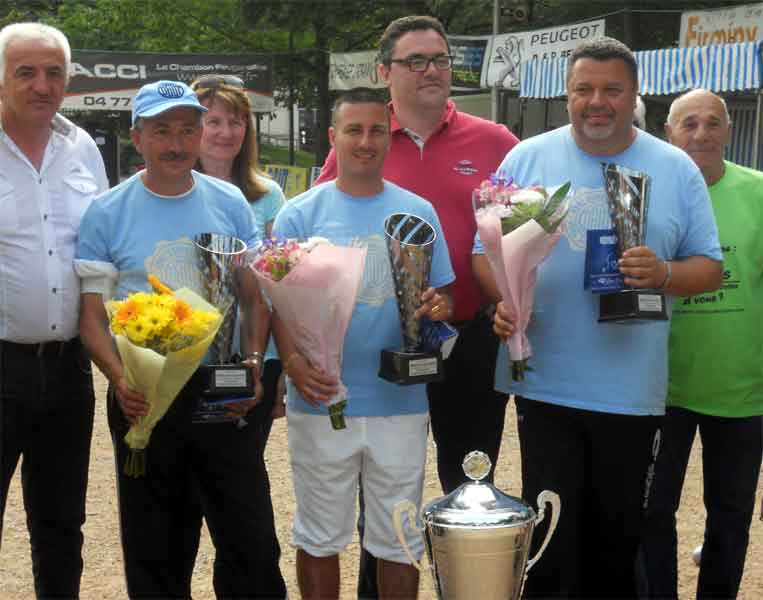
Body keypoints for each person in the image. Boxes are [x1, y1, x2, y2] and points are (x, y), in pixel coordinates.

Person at [487, 38, 723, 598]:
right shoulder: (526, 158)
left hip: (630, 392)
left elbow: (709, 269)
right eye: (584, 90)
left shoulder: (675, 168)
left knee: (615, 547)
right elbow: (486, 252)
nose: (598, 101)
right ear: (567, 95)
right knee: (548, 543)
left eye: (612, 90)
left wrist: (663, 273)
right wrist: (505, 299)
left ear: (634, 95)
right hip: (545, 382)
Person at [315, 17, 518, 595]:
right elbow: (327, 230)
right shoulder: (362, 137)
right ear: (385, 73)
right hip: (380, 344)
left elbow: (524, 232)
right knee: (378, 488)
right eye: (416, 61)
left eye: (440, 58)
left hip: (471, 339)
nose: (432, 70)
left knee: (468, 482)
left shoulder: (497, 142)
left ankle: (466, 587)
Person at [75, 80, 286, 599]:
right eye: (162, 131)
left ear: (198, 136)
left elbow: (253, 296)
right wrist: (122, 380)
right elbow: (91, 318)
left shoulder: (229, 200)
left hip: (223, 389)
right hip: (144, 395)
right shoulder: (107, 211)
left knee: (250, 539)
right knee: (156, 546)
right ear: (137, 136)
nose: (175, 143)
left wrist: (254, 360)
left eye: (186, 131)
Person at [273, 87, 454, 600]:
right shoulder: (299, 215)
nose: (366, 141)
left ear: (389, 138)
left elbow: (438, 296)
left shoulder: (418, 211)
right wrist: (292, 363)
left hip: (399, 400)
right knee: (319, 535)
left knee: (398, 537)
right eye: (354, 130)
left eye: (377, 130)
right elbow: (277, 304)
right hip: (322, 396)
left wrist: (440, 309)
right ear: (334, 137)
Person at [638, 89, 763, 600]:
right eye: (689, 123)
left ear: (729, 131)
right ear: (669, 132)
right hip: (659, 387)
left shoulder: (758, 192)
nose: (702, 133)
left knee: (731, 516)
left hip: (743, 388)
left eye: (713, 123)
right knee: (651, 511)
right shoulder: (647, 192)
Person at [0, 22, 108, 598]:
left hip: (68, 366)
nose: (41, 84)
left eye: (53, 73)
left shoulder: (82, 148)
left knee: (62, 521)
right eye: (25, 71)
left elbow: (99, 251)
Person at [191, 73, 287, 438]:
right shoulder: (175, 191)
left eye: (236, 122)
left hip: (257, 355)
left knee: (242, 463)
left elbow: (279, 286)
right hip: (190, 357)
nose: (226, 132)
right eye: (213, 121)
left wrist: (280, 366)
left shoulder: (269, 196)